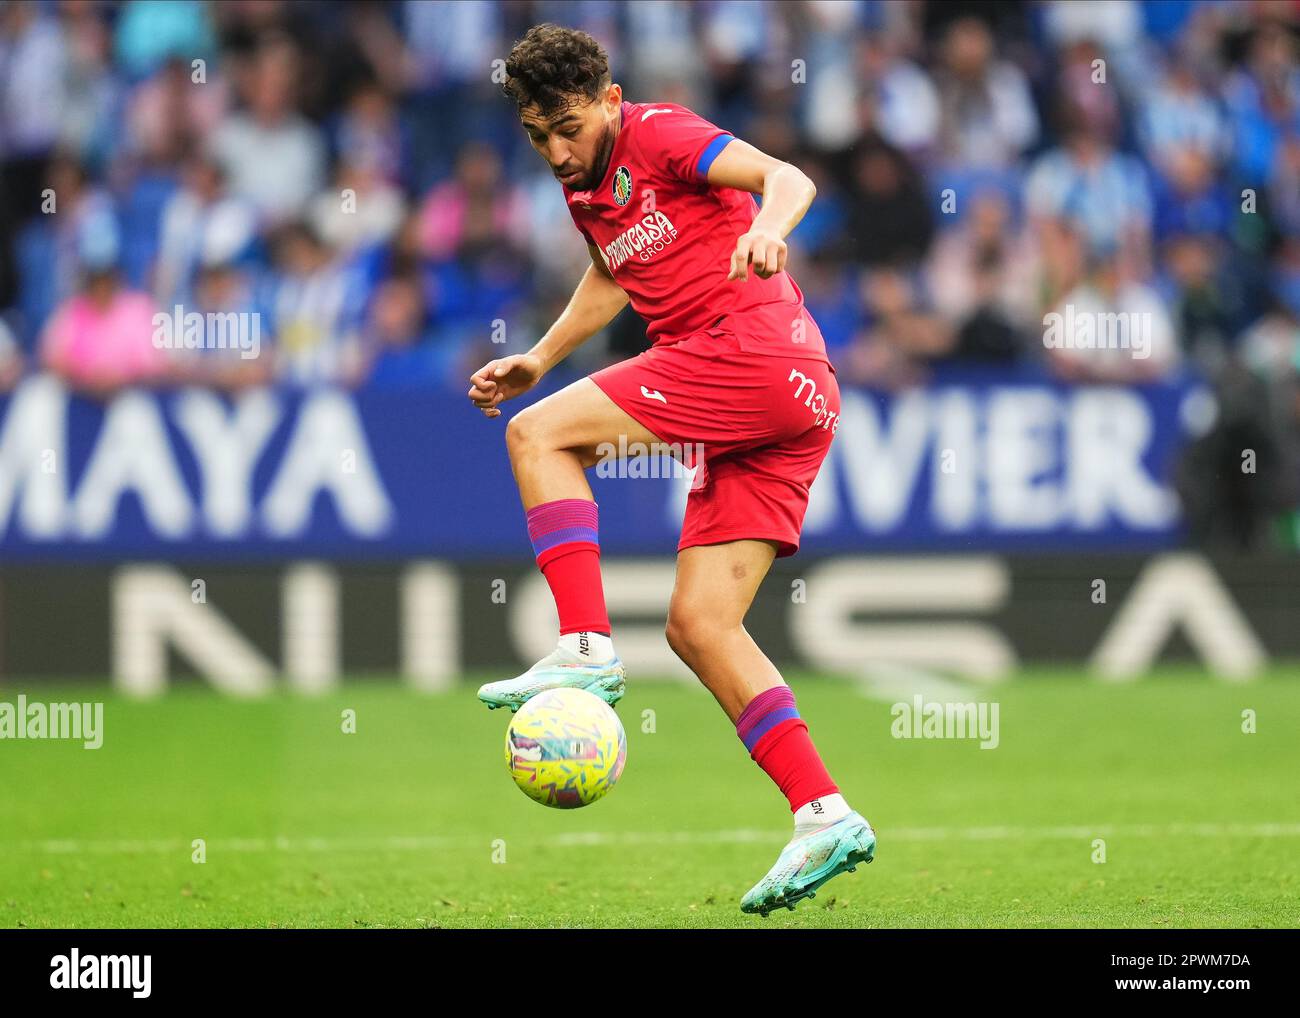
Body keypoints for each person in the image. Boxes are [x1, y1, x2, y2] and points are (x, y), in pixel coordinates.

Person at [466, 24, 874, 917]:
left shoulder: (655, 131)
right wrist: (539, 355)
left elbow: (789, 177)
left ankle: (584, 644)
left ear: (609, 101)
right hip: (792, 401)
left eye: (569, 127)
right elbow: (615, 274)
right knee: (699, 625)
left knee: (540, 439)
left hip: (749, 352)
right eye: (538, 136)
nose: (557, 150)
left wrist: (769, 229)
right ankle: (822, 812)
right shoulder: (588, 186)